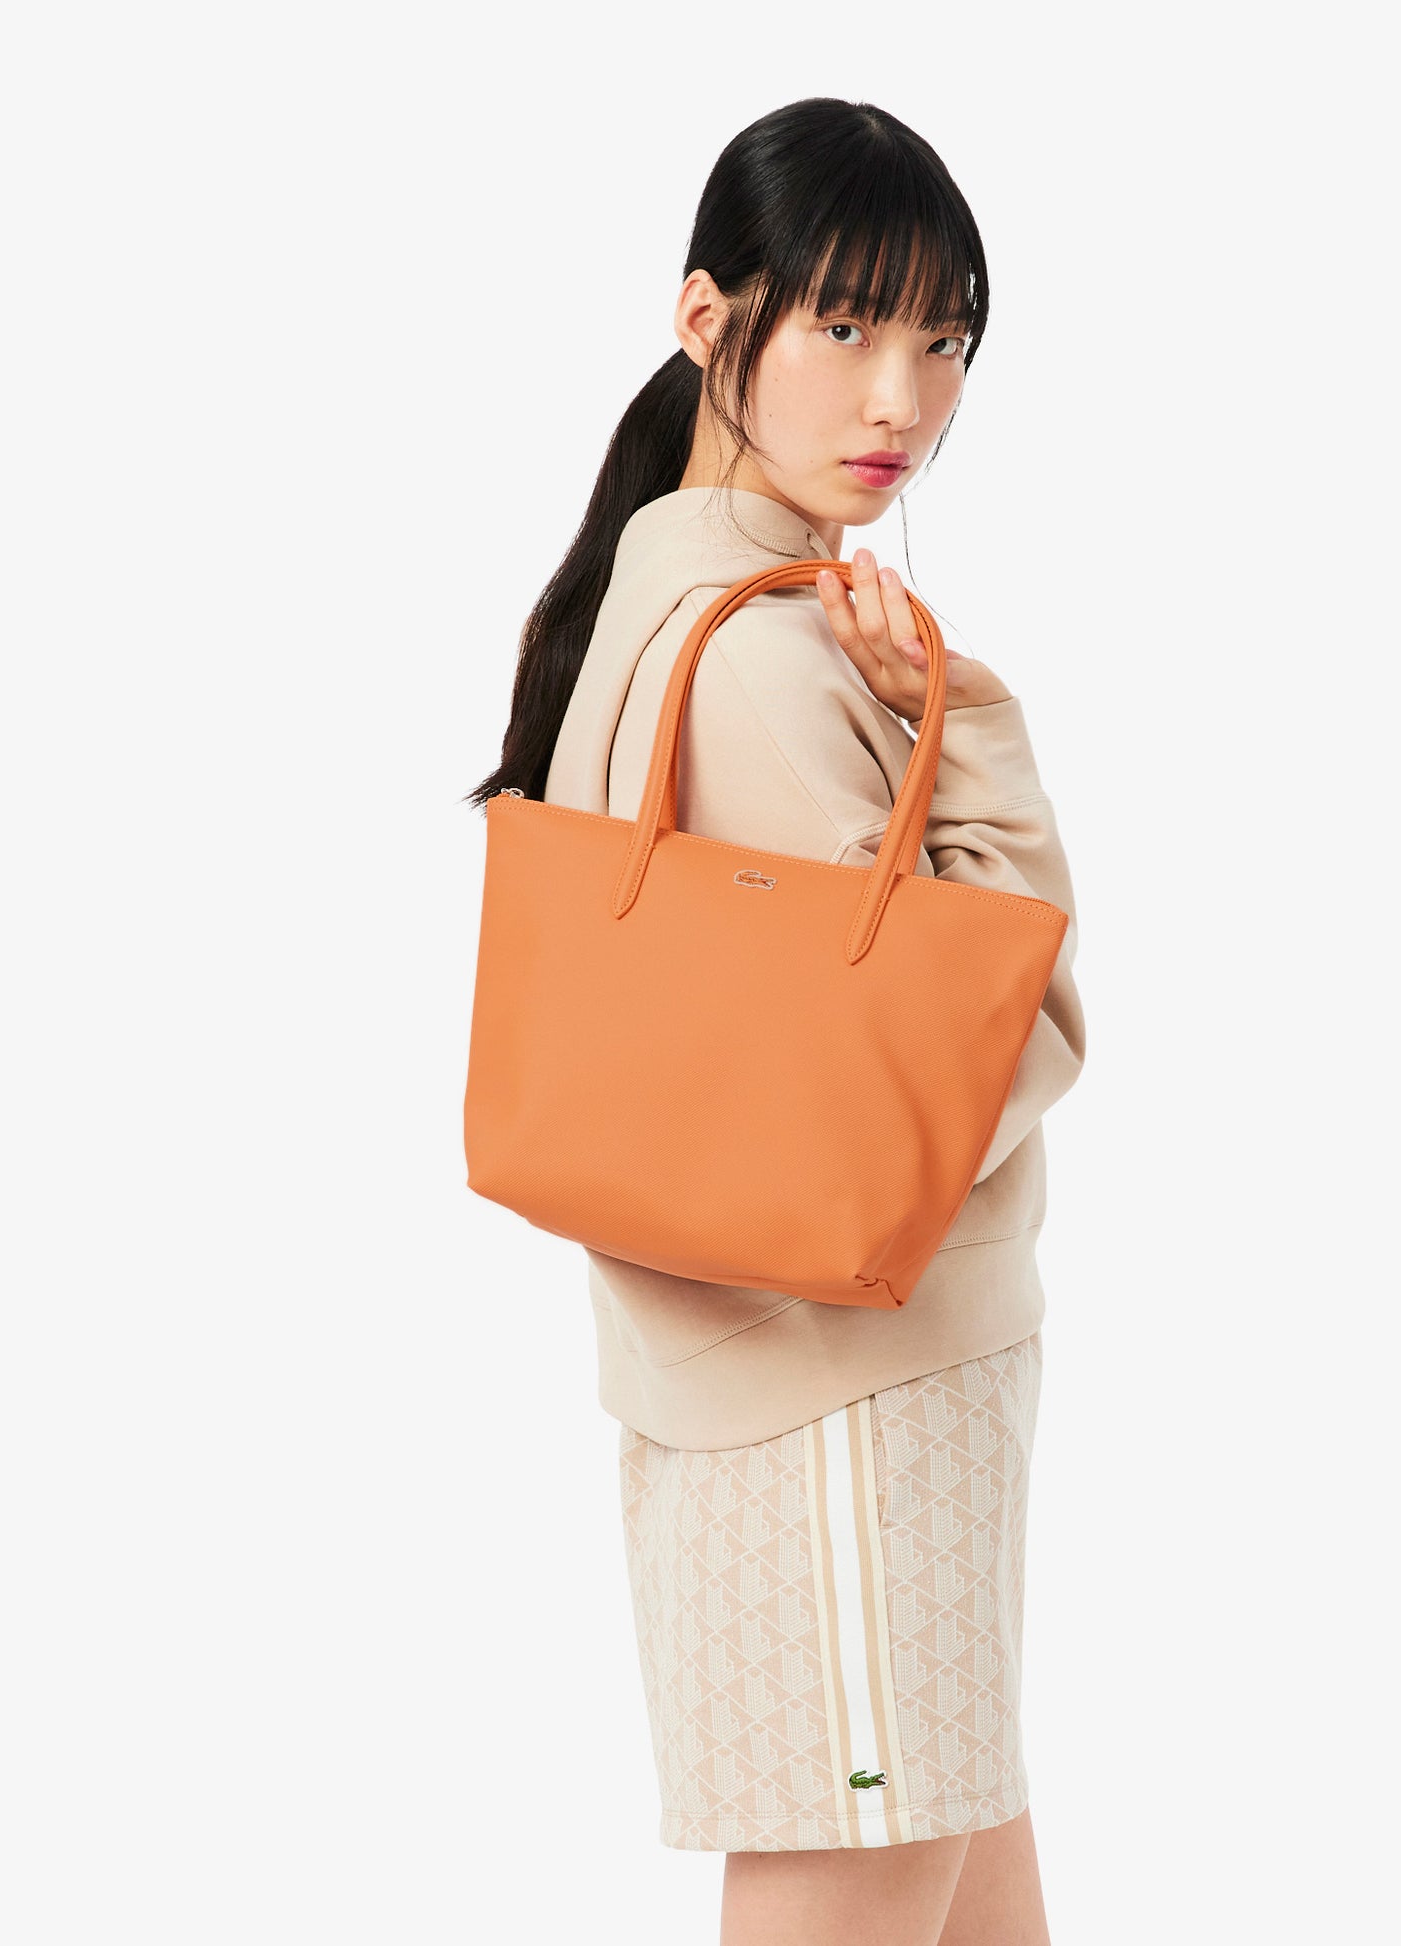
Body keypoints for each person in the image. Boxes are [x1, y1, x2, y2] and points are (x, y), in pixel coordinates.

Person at [468, 97, 1087, 1946]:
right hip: (845, 1411)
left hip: (804, 1395)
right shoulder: (762, 651)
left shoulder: (655, 596)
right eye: (843, 323)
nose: (901, 397)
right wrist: (972, 731)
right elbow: (975, 1054)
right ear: (704, 317)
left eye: (943, 339)